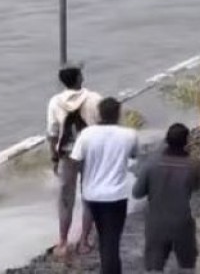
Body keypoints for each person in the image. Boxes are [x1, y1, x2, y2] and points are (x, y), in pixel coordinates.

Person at [69, 97, 138, 274]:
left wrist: (74, 187)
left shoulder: (86, 135)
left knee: (104, 236)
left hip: (92, 195)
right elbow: (134, 156)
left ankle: (107, 267)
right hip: (116, 196)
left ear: (98, 113)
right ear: (118, 113)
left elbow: (74, 162)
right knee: (111, 240)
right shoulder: (129, 135)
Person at [46, 63, 102, 257]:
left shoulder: (55, 102)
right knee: (90, 196)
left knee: (65, 199)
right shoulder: (94, 99)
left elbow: (52, 134)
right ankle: (84, 241)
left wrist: (54, 156)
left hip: (67, 156)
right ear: (79, 78)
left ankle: (63, 242)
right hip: (91, 153)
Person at [133, 123, 200, 273]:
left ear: (166, 140)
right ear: (186, 142)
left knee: (155, 267)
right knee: (186, 266)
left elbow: (137, 193)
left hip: (156, 224)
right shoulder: (194, 165)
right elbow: (196, 188)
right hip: (183, 224)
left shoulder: (151, 164)